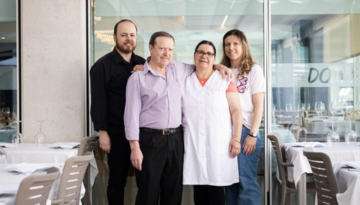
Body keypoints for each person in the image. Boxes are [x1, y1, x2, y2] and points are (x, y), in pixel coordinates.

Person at [124, 31, 233, 205]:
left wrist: (220, 66)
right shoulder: (137, 79)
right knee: (148, 193)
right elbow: (130, 117)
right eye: (162, 49)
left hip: (176, 140)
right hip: (150, 141)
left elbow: (202, 64)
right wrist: (134, 148)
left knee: (173, 194)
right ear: (151, 48)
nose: (167, 53)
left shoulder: (178, 68)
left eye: (170, 49)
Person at [90, 19, 145, 205]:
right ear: (114, 38)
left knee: (144, 182)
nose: (128, 39)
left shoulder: (144, 64)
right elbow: (98, 102)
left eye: (132, 35)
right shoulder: (101, 67)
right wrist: (103, 133)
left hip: (142, 133)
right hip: (116, 133)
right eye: (123, 35)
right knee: (117, 181)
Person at [182, 40, 243, 205]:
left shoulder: (225, 80)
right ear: (194, 56)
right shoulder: (185, 81)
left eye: (209, 53)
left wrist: (236, 138)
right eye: (201, 52)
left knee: (216, 192)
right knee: (199, 193)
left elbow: (236, 111)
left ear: (214, 58)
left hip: (219, 145)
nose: (204, 56)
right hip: (194, 145)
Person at [221, 29, 265, 205]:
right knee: (230, 184)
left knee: (246, 182)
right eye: (227, 44)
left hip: (247, 131)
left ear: (243, 45)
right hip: (228, 133)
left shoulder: (254, 69)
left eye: (235, 44)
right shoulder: (222, 71)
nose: (231, 48)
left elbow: (259, 105)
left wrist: (253, 135)